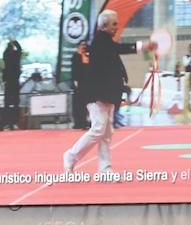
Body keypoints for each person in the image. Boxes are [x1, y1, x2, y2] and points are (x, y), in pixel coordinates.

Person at [62, 10, 155, 174]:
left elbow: (115, 53)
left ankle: (105, 169)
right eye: (114, 24)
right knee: (98, 129)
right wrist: (143, 45)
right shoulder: (101, 41)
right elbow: (120, 49)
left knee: (106, 133)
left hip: (108, 93)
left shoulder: (105, 42)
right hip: (97, 94)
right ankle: (71, 155)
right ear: (104, 26)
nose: (116, 27)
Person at [70, 42, 91, 130]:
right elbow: (75, 69)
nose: (84, 47)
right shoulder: (76, 56)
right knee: (79, 103)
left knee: (86, 103)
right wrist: (76, 80)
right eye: (82, 46)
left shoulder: (87, 56)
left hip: (87, 82)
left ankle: (85, 121)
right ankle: (79, 122)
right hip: (79, 82)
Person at [2, 38, 22, 129]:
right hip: (15, 82)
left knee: (7, 103)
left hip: (8, 82)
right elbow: (20, 49)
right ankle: (15, 122)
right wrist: (15, 42)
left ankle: (7, 122)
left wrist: (10, 43)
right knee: (15, 103)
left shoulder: (6, 56)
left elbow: (6, 51)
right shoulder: (16, 55)